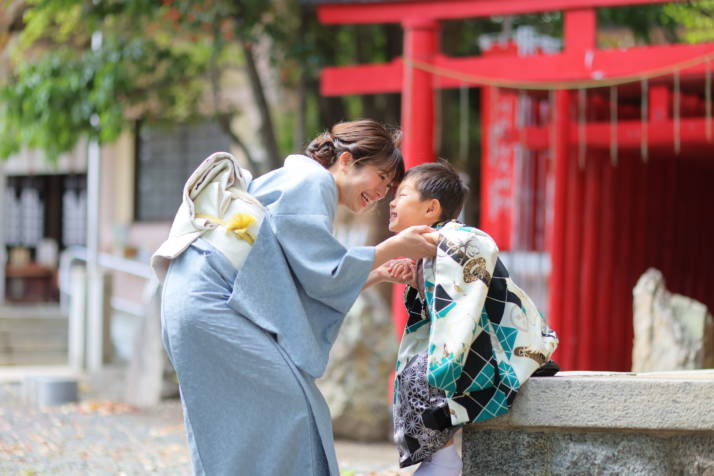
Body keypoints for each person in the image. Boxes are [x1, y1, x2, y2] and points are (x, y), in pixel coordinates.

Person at [151, 120, 437, 476]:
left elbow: (300, 283)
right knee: (291, 406)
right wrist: (390, 247)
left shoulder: (301, 181)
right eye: (381, 178)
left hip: (201, 299)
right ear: (346, 161)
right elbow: (321, 275)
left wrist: (375, 272)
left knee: (259, 416)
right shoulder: (313, 181)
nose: (382, 194)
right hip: (211, 301)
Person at [384, 161, 559, 476]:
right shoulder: (432, 251)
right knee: (411, 372)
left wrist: (434, 248)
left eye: (403, 195)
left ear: (431, 208)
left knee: (420, 373)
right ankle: (439, 458)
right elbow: (447, 306)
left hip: (505, 350)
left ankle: (443, 461)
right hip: (480, 348)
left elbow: (477, 249)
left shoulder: (459, 237)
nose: (392, 202)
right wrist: (419, 283)